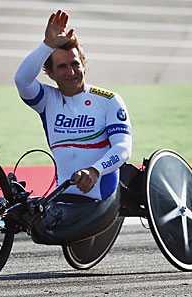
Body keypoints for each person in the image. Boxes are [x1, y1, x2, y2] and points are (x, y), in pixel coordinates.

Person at [14, 10, 132, 202]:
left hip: (101, 194)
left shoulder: (109, 100)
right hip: (62, 194)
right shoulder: (47, 100)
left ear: (83, 65)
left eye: (75, 64)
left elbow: (123, 147)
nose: (71, 72)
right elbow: (22, 80)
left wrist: (95, 171)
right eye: (62, 66)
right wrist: (47, 45)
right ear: (51, 74)